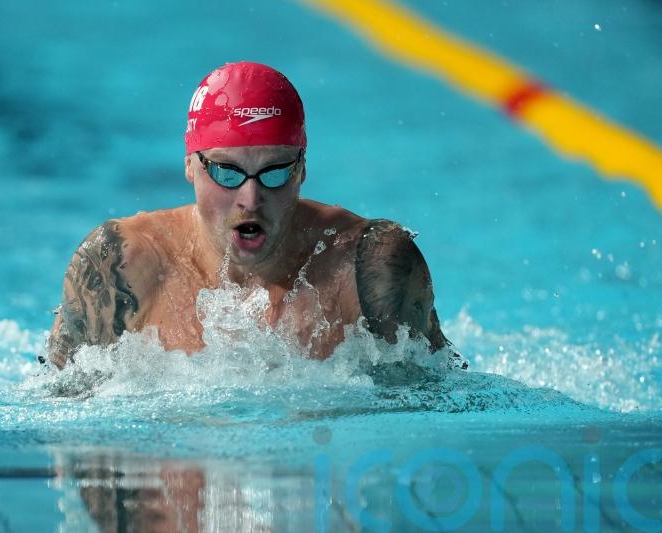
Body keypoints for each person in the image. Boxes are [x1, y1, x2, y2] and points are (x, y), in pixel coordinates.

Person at [47, 61, 458, 369]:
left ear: (301, 168)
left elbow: (441, 407)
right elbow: (56, 414)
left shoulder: (364, 270)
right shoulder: (119, 266)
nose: (251, 197)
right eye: (227, 172)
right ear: (191, 164)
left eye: (274, 172)